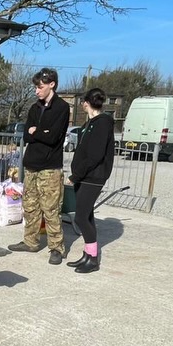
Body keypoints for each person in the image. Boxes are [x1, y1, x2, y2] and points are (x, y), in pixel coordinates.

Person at [9, 67, 71, 264]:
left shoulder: (61, 107)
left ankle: (56, 248)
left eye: (40, 87)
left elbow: (53, 137)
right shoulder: (35, 108)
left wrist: (37, 132)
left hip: (50, 168)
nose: (37, 91)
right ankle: (30, 242)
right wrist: (37, 132)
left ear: (52, 84)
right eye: (36, 87)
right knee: (30, 206)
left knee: (51, 208)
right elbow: (26, 134)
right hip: (31, 165)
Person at [65, 87, 117, 274]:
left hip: (93, 177)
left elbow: (94, 155)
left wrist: (75, 175)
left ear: (85, 102)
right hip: (86, 176)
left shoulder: (102, 123)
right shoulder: (91, 123)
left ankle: (93, 260)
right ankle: (88, 254)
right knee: (87, 216)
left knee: (80, 216)